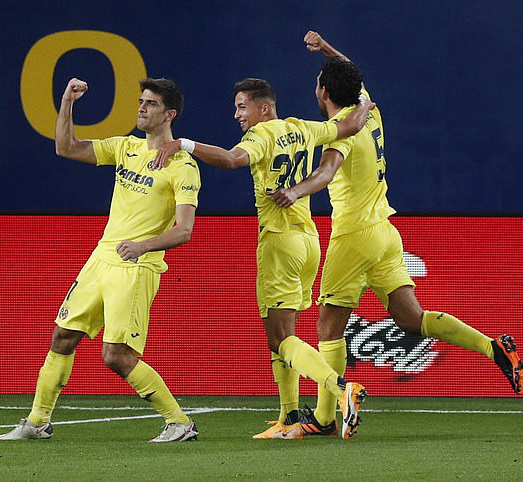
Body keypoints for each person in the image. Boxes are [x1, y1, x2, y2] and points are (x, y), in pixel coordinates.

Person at [269, 31, 523, 437]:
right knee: (411, 318)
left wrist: (294, 191)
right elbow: (352, 74)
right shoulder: (368, 109)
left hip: (353, 236)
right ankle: (493, 348)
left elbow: (326, 172)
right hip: (386, 233)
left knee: (327, 327)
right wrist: (327, 50)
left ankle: (322, 417)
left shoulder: (341, 129)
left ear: (322, 91)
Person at [155, 78, 373, 440]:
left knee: (280, 339)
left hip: (279, 243)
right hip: (309, 240)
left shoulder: (262, 136)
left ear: (264, 108)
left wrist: (184, 144)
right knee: (284, 334)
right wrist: (364, 97)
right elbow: (350, 123)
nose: (236, 114)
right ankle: (287, 418)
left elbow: (230, 159)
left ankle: (340, 389)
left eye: (242, 106)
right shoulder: (304, 127)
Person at [0, 77, 201, 443]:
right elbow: (66, 147)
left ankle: (179, 422)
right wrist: (67, 102)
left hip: (136, 267)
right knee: (62, 336)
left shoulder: (183, 166)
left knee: (116, 356)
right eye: (140, 101)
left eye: (150, 104)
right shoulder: (125, 147)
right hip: (101, 260)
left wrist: (143, 246)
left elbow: (184, 231)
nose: (140, 107)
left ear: (170, 114)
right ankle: (37, 422)